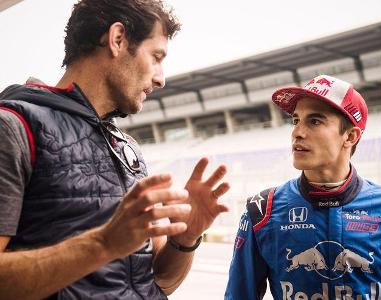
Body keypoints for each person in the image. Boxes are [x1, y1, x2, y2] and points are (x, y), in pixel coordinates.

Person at [0, 1, 230, 299]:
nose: (161, 78)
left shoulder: (126, 146)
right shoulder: (13, 127)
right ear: (117, 39)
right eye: (156, 57)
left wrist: (185, 238)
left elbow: (160, 282)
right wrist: (103, 244)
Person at [225, 74, 381, 299]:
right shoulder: (262, 211)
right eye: (295, 120)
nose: (297, 132)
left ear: (350, 136)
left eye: (314, 121)